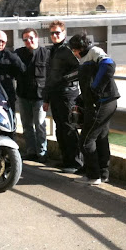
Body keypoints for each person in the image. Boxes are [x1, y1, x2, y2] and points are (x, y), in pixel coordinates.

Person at [68, 32, 120, 185]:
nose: (74, 54)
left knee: (86, 141)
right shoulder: (87, 57)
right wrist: (84, 97)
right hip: (104, 102)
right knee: (101, 138)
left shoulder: (94, 52)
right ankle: (103, 173)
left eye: (74, 50)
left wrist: (95, 89)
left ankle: (93, 175)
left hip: (101, 103)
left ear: (79, 48)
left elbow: (109, 65)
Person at [42, 20, 83, 173]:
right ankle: (66, 160)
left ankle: (76, 162)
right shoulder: (53, 51)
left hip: (67, 94)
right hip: (55, 94)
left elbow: (79, 69)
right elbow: (50, 77)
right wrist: (46, 99)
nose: (54, 35)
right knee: (60, 128)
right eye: (52, 33)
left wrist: (65, 79)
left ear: (64, 33)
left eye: (57, 32)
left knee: (69, 127)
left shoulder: (67, 50)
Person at [15, 27, 50, 163]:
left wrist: (48, 98)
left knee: (40, 125)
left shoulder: (46, 53)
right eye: (25, 39)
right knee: (26, 126)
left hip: (39, 97)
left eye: (31, 38)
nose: (28, 41)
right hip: (23, 95)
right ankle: (31, 151)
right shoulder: (18, 54)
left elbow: (50, 76)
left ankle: (42, 153)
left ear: (37, 38)